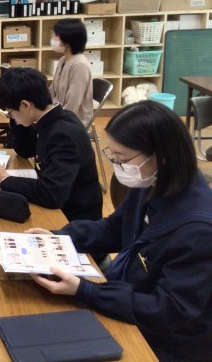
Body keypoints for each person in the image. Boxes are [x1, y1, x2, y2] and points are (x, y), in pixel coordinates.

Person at [29, 101, 212, 362]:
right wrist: (61, 239)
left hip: (166, 341)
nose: (117, 165)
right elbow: (116, 228)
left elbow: (169, 310)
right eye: (113, 155)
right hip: (129, 300)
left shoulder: (199, 230)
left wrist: (86, 291)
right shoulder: (153, 180)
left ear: (160, 156)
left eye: (122, 158)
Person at [0, 67, 103, 223]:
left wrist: (3, 179)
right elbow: (25, 150)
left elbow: (52, 195)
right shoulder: (52, 120)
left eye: (10, 112)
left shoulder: (61, 135)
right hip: (61, 205)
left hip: (73, 218)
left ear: (25, 105)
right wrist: (19, 120)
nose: (11, 117)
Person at [48, 18, 93, 127]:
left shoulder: (80, 65)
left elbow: (72, 105)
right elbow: (52, 91)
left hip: (72, 121)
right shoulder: (63, 60)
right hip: (58, 112)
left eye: (56, 35)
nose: (53, 38)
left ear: (68, 40)